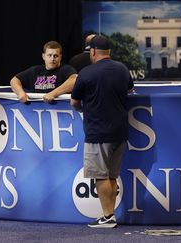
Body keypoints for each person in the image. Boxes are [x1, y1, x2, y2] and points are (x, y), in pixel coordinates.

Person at [70, 35, 134, 228]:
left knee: (101, 176)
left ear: (93, 51)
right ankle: (110, 215)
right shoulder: (122, 69)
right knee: (112, 176)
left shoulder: (86, 73)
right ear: (109, 52)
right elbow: (130, 90)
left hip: (98, 132)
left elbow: (74, 102)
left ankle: (107, 217)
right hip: (120, 131)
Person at [10, 40, 77, 103]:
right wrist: (20, 93)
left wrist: (53, 94)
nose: (52, 58)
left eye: (55, 56)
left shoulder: (66, 69)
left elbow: (75, 80)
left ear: (60, 57)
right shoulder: (35, 70)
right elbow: (14, 80)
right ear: (43, 56)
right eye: (49, 55)